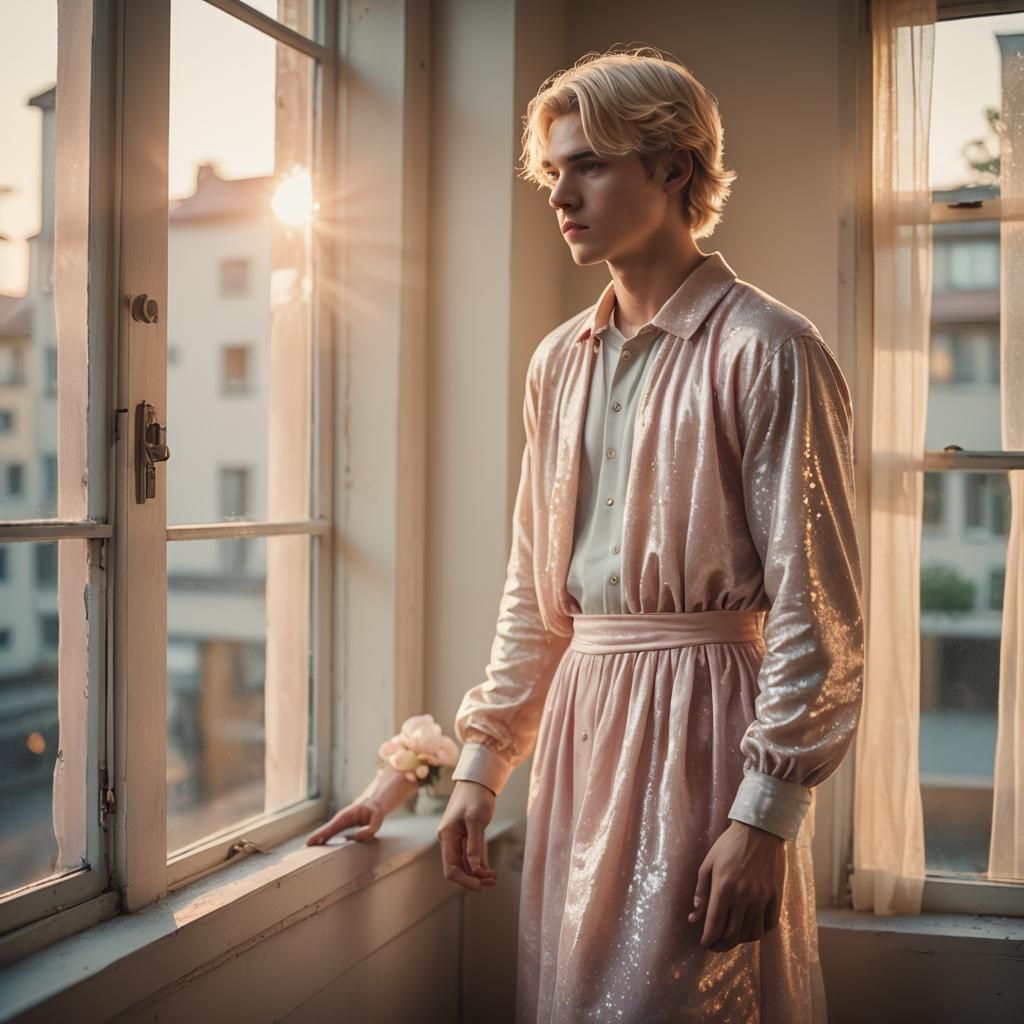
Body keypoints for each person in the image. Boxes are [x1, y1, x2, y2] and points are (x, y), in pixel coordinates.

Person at [308, 45, 863, 1024]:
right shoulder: (556, 362)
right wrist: (482, 766)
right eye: (553, 170)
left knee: (689, 999)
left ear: (673, 168)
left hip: (703, 733)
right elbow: (534, 591)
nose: (560, 192)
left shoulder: (770, 348)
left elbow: (819, 616)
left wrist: (765, 818)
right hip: (580, 729)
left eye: (589, 165)